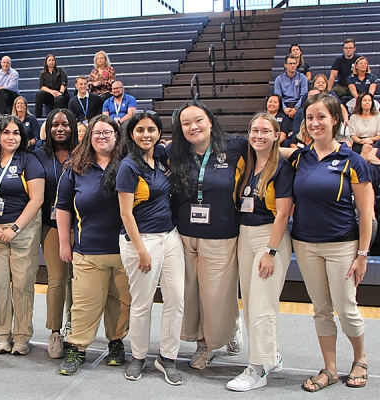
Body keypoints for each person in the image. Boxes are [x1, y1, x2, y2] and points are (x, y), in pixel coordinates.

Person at [287, 93, 372, 392]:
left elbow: (366, 213)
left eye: (321, 116)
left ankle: (360, 359)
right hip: (306, 246)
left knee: (346, 307)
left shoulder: (353, 160)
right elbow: (275, 150)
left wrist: (362, 254)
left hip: (342, 246)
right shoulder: (301, 157)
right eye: (310, 118)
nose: (314, 123)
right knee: (321, 309)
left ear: (335, 119)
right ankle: (330, 369)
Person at [167, 100, 247, 370]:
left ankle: (218, 338)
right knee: (190, 295)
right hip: (184, 235)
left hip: (220, 234)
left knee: (215, 295)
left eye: (198, 120)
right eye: (186, 123)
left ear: (210, 121)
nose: (193, 127)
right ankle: (203, 343)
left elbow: (269, 151)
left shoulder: (234, 147)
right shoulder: (174, 152)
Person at [56, 114, 131, 375]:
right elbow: (63, 208)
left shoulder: (129, 165)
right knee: (84, 303)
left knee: (120, 303)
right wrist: (64, 242)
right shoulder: (74, 168)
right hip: (88, 251)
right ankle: (77, 348)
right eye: (97, 133)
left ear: (117, 136)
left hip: (125, 251)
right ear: (89, 137)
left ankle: (116, 343)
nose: (102, 137)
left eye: (107, 132)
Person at [117, 111, 185, 385]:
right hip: (140, 240)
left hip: (169, 237)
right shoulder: (128, 166)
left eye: (152, 130)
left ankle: (168, 358)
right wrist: (141, 250)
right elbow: (125, 214)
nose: (146, 134)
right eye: (141, 130)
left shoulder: (161, 158)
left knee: (176, 300)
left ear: (159, 133)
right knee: (142, 303)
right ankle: (138, 356)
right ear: (132, 134)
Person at [226, 113, 294, 391]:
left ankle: (257, 369)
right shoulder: (248, 162)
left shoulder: (283, 168)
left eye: (266, 131)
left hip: (270, 237)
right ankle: (272, 355)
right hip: (246, 235)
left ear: (277, 136)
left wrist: (272, 251)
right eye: (255, 130)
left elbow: (283, 214)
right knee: (252, 303)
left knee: (262, 304)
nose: (259, 135)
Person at [0, 115, 45, 356]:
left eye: (15, 133)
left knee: (23, 284)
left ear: (21, 137)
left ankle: (22, 336)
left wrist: (15, 228)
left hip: (23, 229)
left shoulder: (29, 160)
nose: (11, 137)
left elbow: (37, 199)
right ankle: (2, 335)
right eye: (6, 132)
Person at [33, 109, 79, 359]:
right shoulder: (38, 155)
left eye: (65, 124)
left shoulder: (84, 153)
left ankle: (74, 327)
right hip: (50, 225)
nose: (60, 129)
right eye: (54, 125)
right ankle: (55, 332)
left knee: (78, 281)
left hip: (81, 226)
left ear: (72, 127)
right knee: (57, 279)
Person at [273, 54, 308, 119]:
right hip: (284, 105)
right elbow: (278, 97)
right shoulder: (278, 79)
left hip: (298, 105)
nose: (292, 65)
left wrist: (296, 108)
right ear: (285, 65)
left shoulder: (303, 78)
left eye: (294, 63)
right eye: (290, 63)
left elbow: (304, 96)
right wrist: (284, 108)